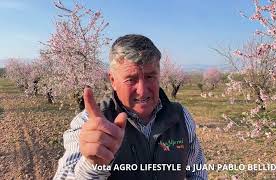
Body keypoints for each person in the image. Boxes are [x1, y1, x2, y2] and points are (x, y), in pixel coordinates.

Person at [54, 34, 208, 180]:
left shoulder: (180, 117)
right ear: (113, 80)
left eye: (150, 77)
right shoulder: (89, 122)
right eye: (130, 79)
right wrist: (92, 166)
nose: (142, 90)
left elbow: (197, 170)